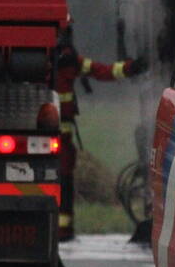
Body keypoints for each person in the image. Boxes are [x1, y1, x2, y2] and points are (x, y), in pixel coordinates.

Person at [56, 24, 146, 241]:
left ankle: (64, 229)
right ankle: (63, 229)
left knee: (63, 179)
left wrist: (131, 67)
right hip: (61, 133)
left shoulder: (65, 59)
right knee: (63, 179)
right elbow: (102, 71)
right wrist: (132, 67)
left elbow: (102, 71)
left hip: (57, 133)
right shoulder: (68, 59)